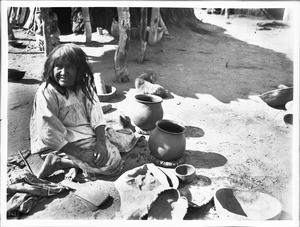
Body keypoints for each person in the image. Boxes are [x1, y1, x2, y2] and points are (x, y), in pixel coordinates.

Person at [30, 43, 123, 181]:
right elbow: (48, 132)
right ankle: (59, 162)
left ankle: (71, 165)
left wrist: (101, 143)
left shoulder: (84, 86)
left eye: (70, 67)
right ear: (51, 68)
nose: (63, 72)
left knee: (114, 157)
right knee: (110, 164)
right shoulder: (47, 91)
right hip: (60, 143)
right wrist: (80, 154)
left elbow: (96, 115)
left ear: (79, 69)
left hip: (85, 134)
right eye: (58, 66)